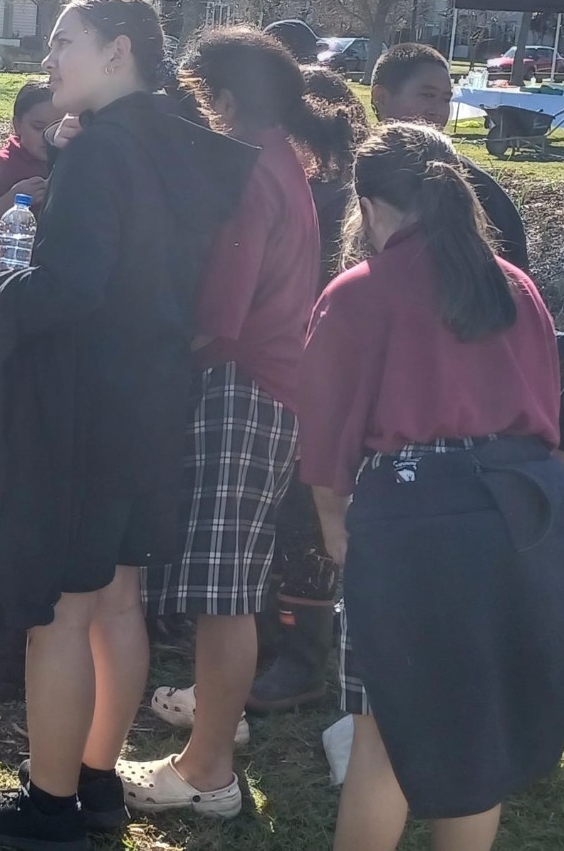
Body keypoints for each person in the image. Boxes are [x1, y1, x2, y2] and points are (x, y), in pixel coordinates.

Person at [0, 0, 255, 851]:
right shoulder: (180, 147)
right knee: (119, 597)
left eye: (64, 41)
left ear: (119, 51)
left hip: (84, 409)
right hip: (152, 402)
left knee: (59, 612)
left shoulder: (107, 154)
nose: (48, 58)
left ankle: (51, 804)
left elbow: (72, 289)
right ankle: (98, 781)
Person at [297, 122, 564, 851]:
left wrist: (332, 520)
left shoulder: (359, 292)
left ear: (366, 203)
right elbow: (545, 412)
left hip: (412, 518)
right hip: (521, 511)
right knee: (475, 734)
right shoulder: (513, 284)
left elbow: (326, 436)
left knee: (383, 735)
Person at [127, 27, 324, 819]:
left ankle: (207, 770)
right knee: (232, 579)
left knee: (224, 589)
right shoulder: (289, 164)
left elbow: (221, 311)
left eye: (204, 97)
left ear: (230, 101)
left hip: (244, 384)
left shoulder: (249, 173)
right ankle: (216, 728)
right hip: (275, 386)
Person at [246, 63, 370, 713]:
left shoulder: (330, 195)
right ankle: (282, 638)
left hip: (320, 376)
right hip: (302, 368)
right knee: (296, 514)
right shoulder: (320, 188)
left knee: (304, 513)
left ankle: (300, 658)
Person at [371, 43, 529, 270]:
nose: (437, 110)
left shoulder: (475, 185)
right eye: (427, 95)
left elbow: (514, 272)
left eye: (445, 99)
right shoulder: (350, 172)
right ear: (381, 98)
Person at [0, 80, 60, 263]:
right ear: (17, 125)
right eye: (38, 127)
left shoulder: (74, 162)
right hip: (8, 277)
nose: (48, 136)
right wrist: (11, 199)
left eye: (57, 127)